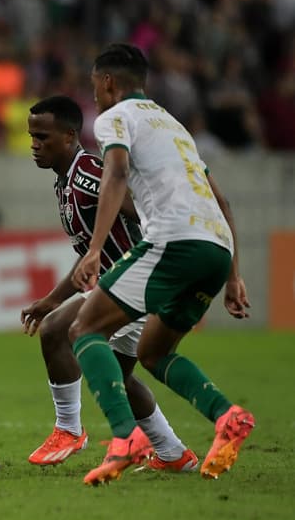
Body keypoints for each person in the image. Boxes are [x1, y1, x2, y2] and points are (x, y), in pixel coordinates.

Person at [68, 44, 254, 486]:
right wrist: (232, 275)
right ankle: (226, 415)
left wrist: (94, 250)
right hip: (215, 248)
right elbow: (221, 199)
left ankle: (123, 438)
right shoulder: (173, 125)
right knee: (153, 352)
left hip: (173, 241)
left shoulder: (115, 118)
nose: (94, 96)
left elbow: (114, 174)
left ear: (108, 82)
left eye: (95, 86)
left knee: (84, 328)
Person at [21, 95, 197, 472]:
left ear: (70, 136)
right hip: (116, 286)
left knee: (56, 332)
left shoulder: (88, 175)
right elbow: (90, 256)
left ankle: (69, 429)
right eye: (31, 136)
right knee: (120, 377)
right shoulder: (66, 181)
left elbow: (144, 213)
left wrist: (164, 261)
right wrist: (53, 298)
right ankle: (173, 454)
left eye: (43, 137)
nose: (34, 145)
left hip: (134, 286)